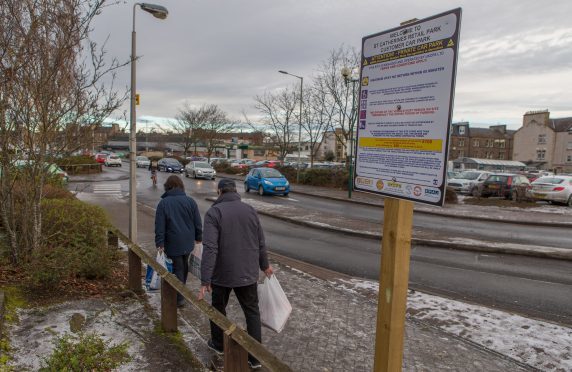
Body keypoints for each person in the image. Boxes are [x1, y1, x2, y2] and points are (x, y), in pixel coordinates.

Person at [198, 178, 273, 369]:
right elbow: (260, 242)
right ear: (235, 191)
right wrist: (265, 266)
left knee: (218, 308)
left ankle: (218, 344)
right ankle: (255, 357)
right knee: (252, 312)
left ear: (220, 192)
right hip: (247, 272)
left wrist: (205, 278)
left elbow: (210, 248)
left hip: (222, 274)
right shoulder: (250, 211)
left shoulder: (214, 213)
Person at [155, 175, 202, 307]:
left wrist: (160, 243)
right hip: (187, 242)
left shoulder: (163, 203)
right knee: (183, 266)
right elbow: (198, 222)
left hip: (172, 243)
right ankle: (180, 292)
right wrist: (199, 238)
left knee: (178, 268)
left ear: (167, 187)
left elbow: (160, 226)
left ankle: (179, 297)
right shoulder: (190, 201)